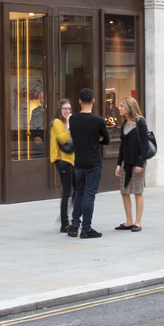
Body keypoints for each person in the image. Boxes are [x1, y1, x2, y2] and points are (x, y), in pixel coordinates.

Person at [67, 88, 109, 238]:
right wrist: (97, 138)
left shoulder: (73, 119)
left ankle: (74, 226)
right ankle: (86, 229)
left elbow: (75, 135)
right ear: (93, 101)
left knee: (79, 193)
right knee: (89, 194)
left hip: (78, 162)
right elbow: (107, 140)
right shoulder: (98, 120)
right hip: (93, 163)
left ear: (79, 101)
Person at [114, 97, 150, 231]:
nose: (119, 108)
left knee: (137, 192)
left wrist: (140, 163)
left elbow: (144, 145)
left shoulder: (140, 122)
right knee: (124, 191)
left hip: (137, 162)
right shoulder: (124, 124)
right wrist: (118, 163)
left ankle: (138, 222)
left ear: (129, 107)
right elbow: (122, 146)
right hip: (126, 162)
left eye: (121, 106)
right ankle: (128, 221)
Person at [49, 99, 75, 232]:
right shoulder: (57, 122)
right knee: (66, 191)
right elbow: (63, 138)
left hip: (71, 160)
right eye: (65, 108)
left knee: (78, 189)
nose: (67, 111)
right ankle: (64, 223)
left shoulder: (66, 122)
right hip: (61, 160)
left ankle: (71, 216)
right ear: (59, 110)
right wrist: (70, 125)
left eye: (69, 108)